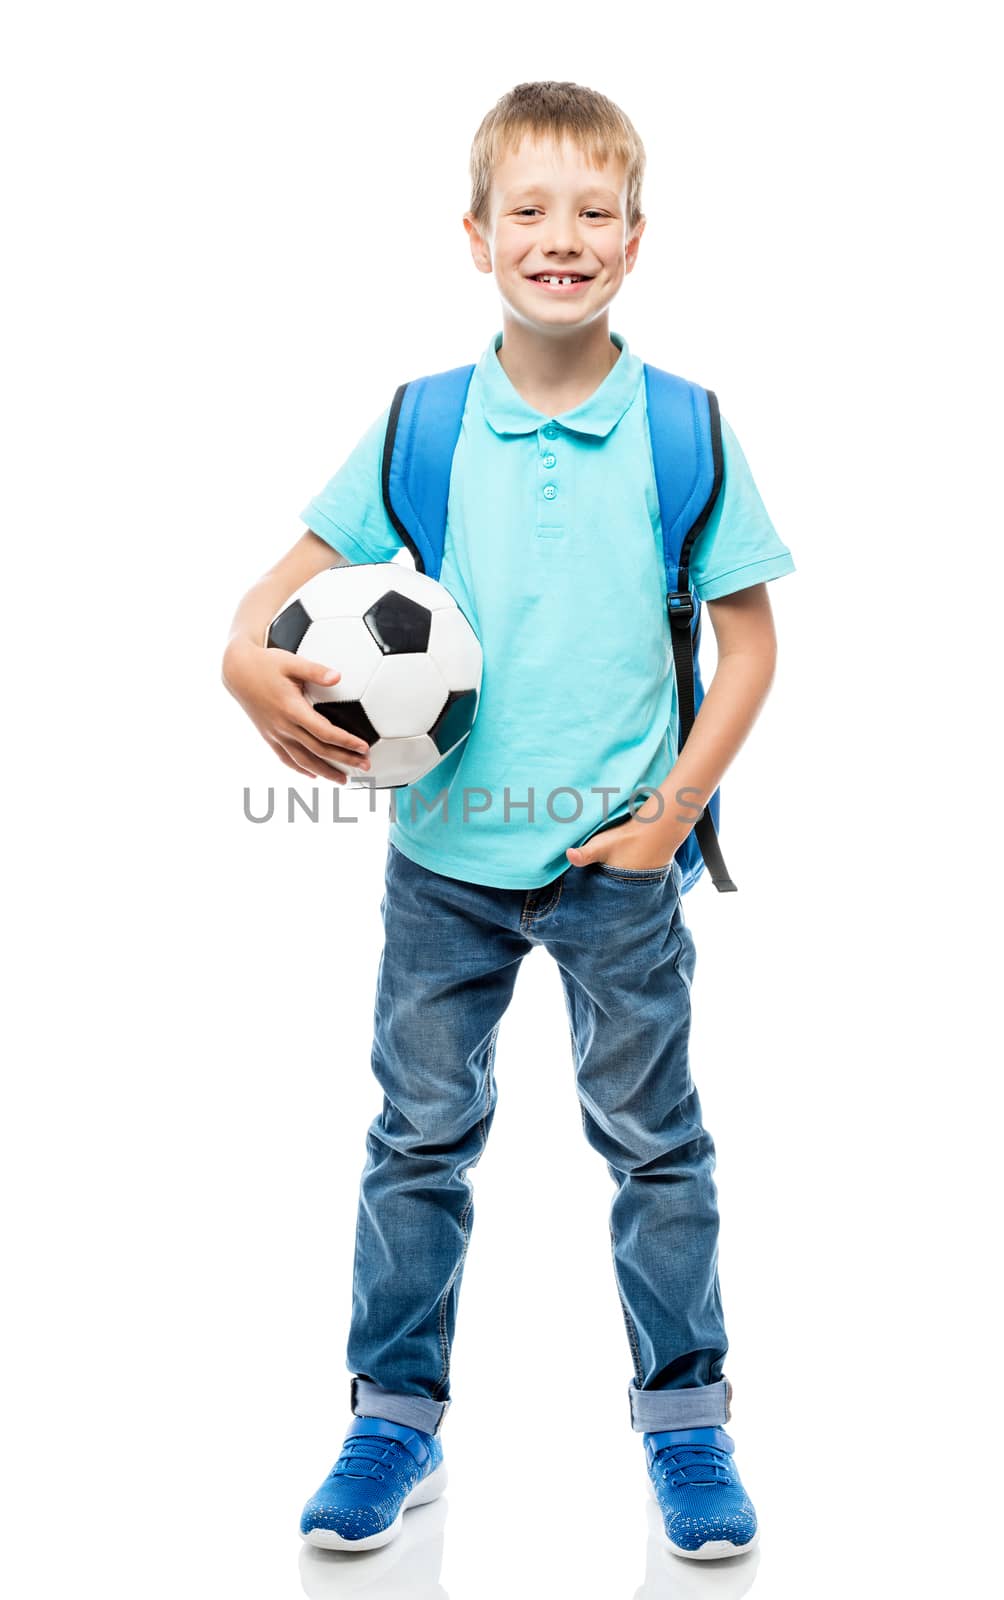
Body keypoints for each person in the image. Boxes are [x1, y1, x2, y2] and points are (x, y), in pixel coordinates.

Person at [222, 80, 795, 1561]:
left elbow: (752, 650)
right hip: (442, 871)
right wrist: (239, 655)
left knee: (657, 1145)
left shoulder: (685, 430)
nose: (562, 238)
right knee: (419, 1138)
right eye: (528, 212)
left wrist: (670, 817)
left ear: (636, 237)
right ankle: (393, 1421)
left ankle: (688, 1426)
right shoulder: (422, 424)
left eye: (592, 212)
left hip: (621, 866)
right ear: (474, 238)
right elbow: (279, 588)